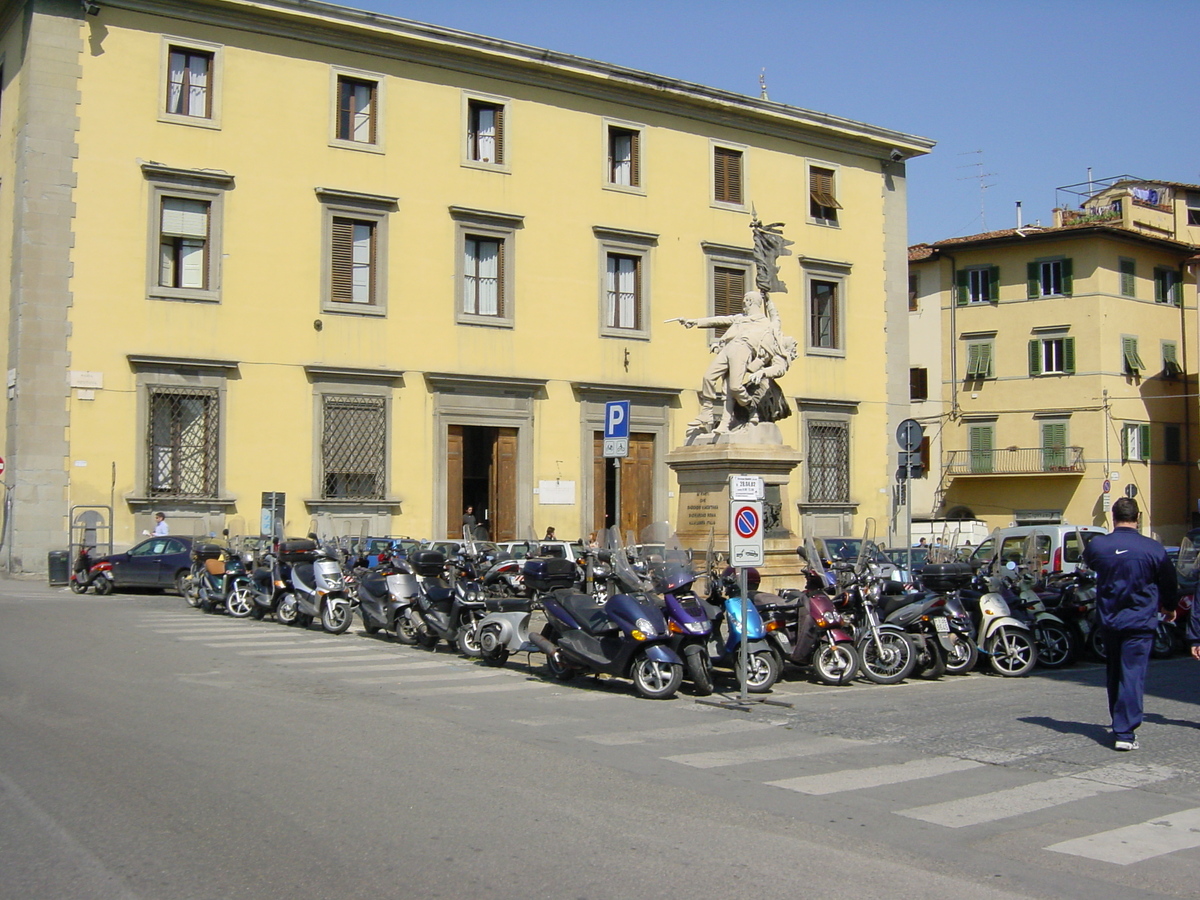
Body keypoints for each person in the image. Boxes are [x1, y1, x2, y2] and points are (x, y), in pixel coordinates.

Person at [1082, 497, 1178, 751]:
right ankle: (1125, 732)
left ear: (1113, 518)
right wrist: (1169, 607)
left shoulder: (1098, 545)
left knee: (1115, 673)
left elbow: (1089, 563)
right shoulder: (1153, 548)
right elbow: (1169, 582)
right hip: (1140, 620)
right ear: (1138, 518)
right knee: (1132, 675)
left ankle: (1118, 723)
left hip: (1110, 619)